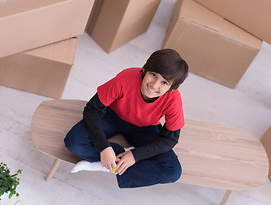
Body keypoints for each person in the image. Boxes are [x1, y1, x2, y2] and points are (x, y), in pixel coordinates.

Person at [64, 49, 189, 188]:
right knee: (74, 142)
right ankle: (116, 159)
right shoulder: (126, 78)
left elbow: (170, 139)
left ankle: (105, 164)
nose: (154, 85)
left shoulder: (173, 100)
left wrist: (136, 155)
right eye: (153, 75)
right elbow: (92, 110)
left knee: (173, 171)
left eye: (164, 82)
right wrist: (104, 147)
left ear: (172, 88)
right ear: (144, 70)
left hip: (144, 127)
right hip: (111, 116)